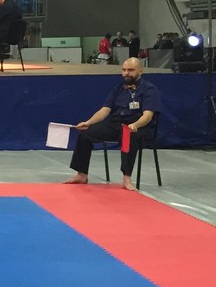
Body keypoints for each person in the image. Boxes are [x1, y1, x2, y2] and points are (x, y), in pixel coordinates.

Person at [64, 57, 160, 191]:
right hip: (115, 123)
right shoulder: (118, 88)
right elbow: (105, 110)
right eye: (124, 70)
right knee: (85, 134)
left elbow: (148, 115)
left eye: (131, 70)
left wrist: (135, 125)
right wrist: (88, 122)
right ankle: (81, 174)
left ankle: (126, 178)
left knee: (128, 137)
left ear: (140, 71)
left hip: (138, 126)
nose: (126, 73)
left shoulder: (149, 89)